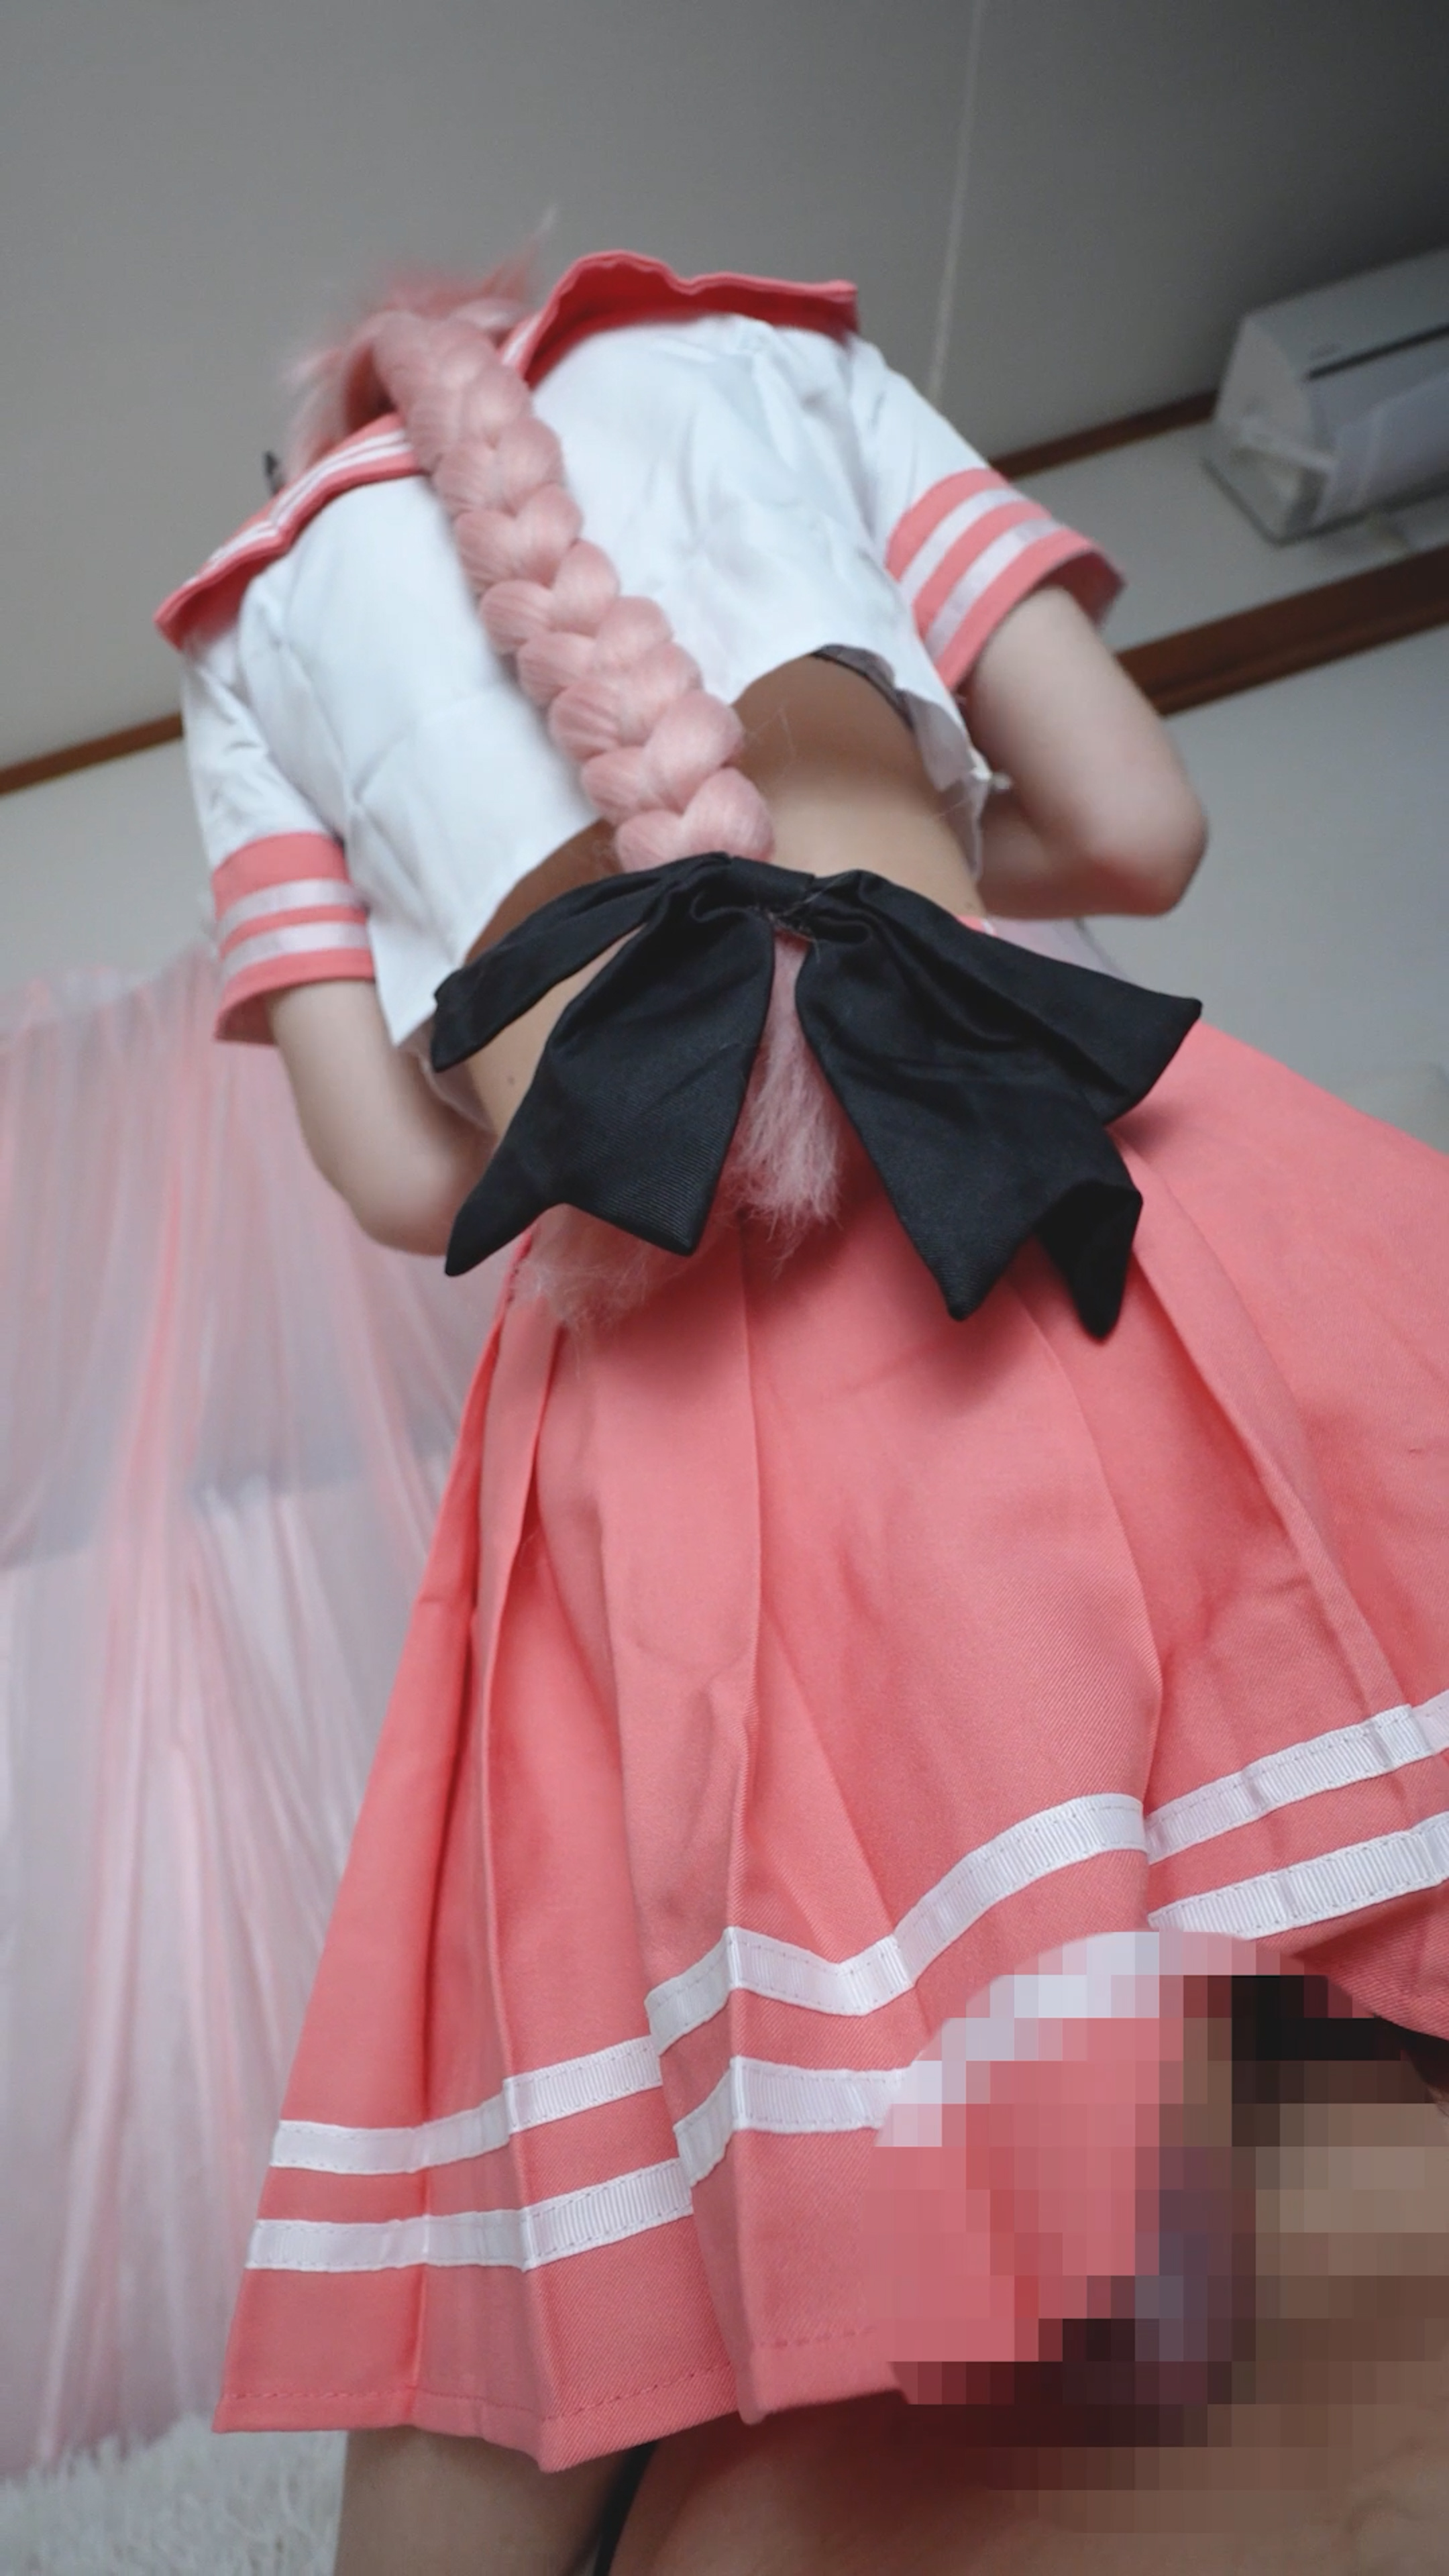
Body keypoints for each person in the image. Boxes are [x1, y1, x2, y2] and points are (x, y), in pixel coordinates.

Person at [160, 251, 1449, 2575]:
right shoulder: (782, 354)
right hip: (1052, 1174)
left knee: (554, 2085)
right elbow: (1141, 829)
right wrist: (892, 890)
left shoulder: (247, 629)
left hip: (670, 1346)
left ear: (311, 452)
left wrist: (591, 1032)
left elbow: (396, 1182)